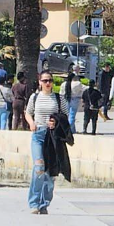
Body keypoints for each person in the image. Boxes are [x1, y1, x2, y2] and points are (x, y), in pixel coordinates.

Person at [25, 71, 68, 213]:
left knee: (50, 173)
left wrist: (56, 121)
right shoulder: (35, 97)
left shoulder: (59, 98)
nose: (47, 83)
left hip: (52, 137)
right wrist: (31, 123)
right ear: (40, 82)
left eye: (50, 80)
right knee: (39, 168)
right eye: (44, 81)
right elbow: (28, 112)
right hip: (38, 135)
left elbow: (65, 116)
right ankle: (34, 203)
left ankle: (44, 203)